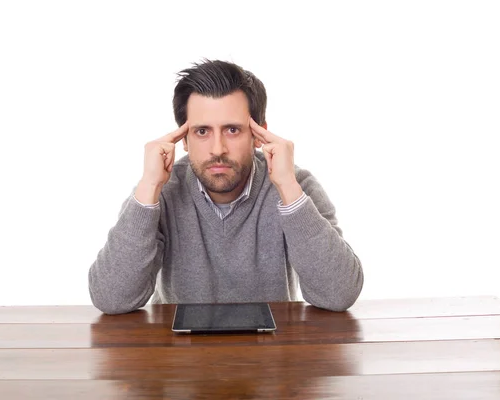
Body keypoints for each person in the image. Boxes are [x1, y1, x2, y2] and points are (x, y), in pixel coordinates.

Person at [89, 60, 364, 314]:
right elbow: (111, 299)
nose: (217, 149)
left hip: (273, 356)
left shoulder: (295, 185)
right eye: (202, 131)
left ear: (258, 135)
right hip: (179, 358)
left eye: (232, 130)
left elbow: (339, 295)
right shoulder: (159, 190)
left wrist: (289, 190)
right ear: (183, 139)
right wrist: (148, 189)